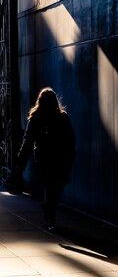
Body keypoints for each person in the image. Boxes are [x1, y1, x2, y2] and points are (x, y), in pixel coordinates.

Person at [15, 87, 76, 230]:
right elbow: (70, 138)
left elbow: (27, 142)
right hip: (55, 158)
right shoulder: (56, 117)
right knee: (54, 186)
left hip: (46, 158)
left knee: (52, 187)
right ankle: (51, 218)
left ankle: (49, 209)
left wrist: (20, 163)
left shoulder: (42, 118)